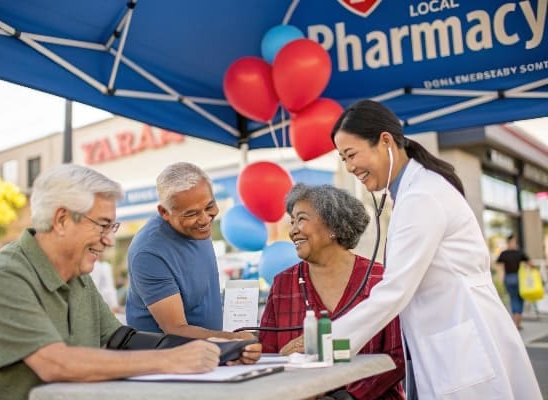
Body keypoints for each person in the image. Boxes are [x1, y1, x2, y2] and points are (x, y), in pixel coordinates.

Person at [0, 164, 223, 400]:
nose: (109, 239)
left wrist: (215, 348)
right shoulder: (4, 276)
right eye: (103, 225)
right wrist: (171, 360)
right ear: (62, 220)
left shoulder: (77, 276)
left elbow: (121, 338)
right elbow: (55, 363)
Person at [329, 99, 541, 399]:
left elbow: (395, 291)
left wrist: (328, 343)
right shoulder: (417, 190)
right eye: (343, 160)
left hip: (462, 348)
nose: (350, 168)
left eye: (351, 155)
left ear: (385, 141)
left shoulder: (420, 197)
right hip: (459, 341)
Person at [259, 183, 405, 400]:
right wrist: (282, 358)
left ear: (334, 226)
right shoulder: (283, 284)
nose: (292, 230)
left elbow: (397, 356)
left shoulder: (379, 279)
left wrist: (347, 396)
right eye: (292, 221)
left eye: (301, 219)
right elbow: (266, 353)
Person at [126, 162, 258, 343]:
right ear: (165, 212)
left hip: (210, 354)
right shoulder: (149, 252)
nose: (205, 219)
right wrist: (233, 339)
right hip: (167, 363)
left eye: (209, 206)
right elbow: (175, 329)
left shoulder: (198, 229)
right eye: (191, 214)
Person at [496, 234, 533, 330]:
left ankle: (517, 323)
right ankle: (517, 323)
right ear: (513, 242)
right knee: (519, 299)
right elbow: (530, 264)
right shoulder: (519, 253)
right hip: (518, 278)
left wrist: (500, 276)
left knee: (513, 299)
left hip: (508, 278)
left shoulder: (504, 253)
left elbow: (497, 264)